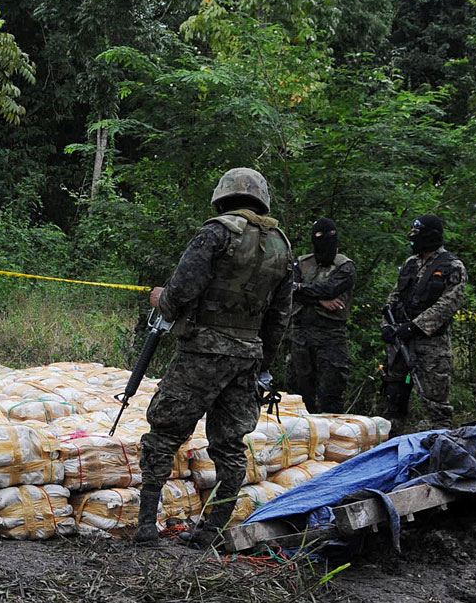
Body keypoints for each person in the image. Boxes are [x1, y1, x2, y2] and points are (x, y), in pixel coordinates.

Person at [134, 168, 293, 548]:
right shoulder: (281, 246)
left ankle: (145, 529)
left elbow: (183, 287)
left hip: (201, 351)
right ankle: (211, 532)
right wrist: (262, 362)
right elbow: (280, 317)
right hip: (246, 357)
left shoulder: (217, 232)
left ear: (223, 197)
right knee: (230, 445)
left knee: (165, 432)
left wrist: (163, 301)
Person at [381, 214, 466, 432]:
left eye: (417, 234)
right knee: (393, 402)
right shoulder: (411, 263)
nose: (412, 239)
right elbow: (395, 296)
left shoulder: (452, 266)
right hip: (400, 343)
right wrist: (388, 327)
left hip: (431, 346)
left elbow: (447, 305)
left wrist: (414, 326)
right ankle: (392, 449)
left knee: (436, 407)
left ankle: (442, 454)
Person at [288, 218, 356, 414]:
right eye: (319, 236)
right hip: (301, 334)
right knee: (299, 394)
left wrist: (304, 291)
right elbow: (288, 289)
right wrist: (319, 300)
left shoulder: (345, 266)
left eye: (330, 236)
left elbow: (330, 288)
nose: (325, 240)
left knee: (331, 394)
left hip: (331, 336)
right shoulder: (301, 263)